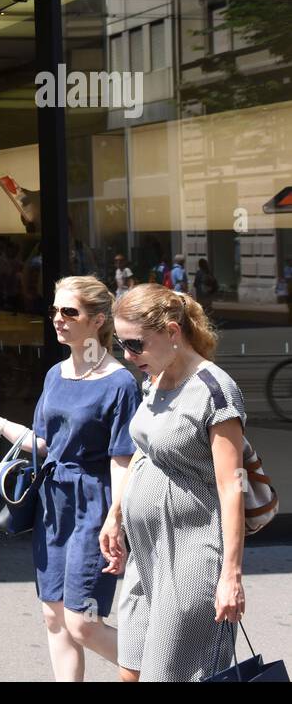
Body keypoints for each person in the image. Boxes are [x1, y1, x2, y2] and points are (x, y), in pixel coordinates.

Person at [0, 275, 138, 682]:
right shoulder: (56, 375)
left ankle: (158, 668)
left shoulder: (120, 383)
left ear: (97, 321)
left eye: (69, 312)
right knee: (53, 617)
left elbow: (123, 460)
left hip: (94, 505)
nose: (58, 318)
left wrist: (115, 518)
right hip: (53, 504)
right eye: (55, 310)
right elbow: (42, 444)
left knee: (83, 623)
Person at [104, 284, 247, 682]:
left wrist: (231, 576)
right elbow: (143, 449)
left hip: (190, 556)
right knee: (130, 671)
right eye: (121, 344)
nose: (128, 357)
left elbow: (232, 486)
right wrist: (116, 515)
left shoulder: (215, 392)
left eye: (135, 345)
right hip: (146, 554)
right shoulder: (155, 379)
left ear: (171, 332)